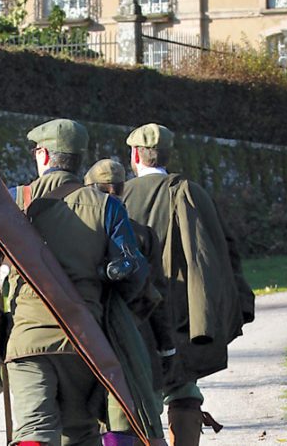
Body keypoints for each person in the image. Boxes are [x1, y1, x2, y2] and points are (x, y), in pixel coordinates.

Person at [0, 119, 147, 446]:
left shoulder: (14, 202)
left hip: (28, 340)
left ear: (44, 155)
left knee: (34, 433)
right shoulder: (109, 207)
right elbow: (132, 274)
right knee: (79, 434)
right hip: (84, 342)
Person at [120, 124, 256, 446]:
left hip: (134, 314)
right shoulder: (192, 193)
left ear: (135, 155)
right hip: (183, 315)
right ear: (166, 154)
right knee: (183, 387)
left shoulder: (117, 197)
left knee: (144, 392)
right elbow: (223, 252)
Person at [84, 159, 175, 446]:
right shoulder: (143, 235)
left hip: (86, 335)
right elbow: (155, 296)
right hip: (137, 337)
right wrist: (166, 347)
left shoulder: (76, 234)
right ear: (123, 191)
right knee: (136, 419)